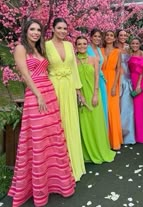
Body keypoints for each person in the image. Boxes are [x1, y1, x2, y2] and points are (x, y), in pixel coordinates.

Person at [8, 19, 75, 207]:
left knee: (51, 138)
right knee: (37, 140)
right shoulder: (21, 48)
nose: (36, 33)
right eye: (32, 29)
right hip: (36, 96)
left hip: (50, 93)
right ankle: (36, 188)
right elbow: (25, 75)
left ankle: (56, 183)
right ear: (25, 31)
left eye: (38, 30)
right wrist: (38, 95)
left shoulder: (40, 49)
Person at [45, 18, 85, 181]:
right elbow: (41, 67)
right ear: (53, 29)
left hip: (69, 87)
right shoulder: (45, 45)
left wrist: (78, 91)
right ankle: (57, 168)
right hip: (53, 87)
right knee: (56, 123)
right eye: (59, 28)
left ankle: (73, 165)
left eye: (65, 28)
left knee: (70, 122)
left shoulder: (69, 45)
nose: (62, 31)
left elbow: (74, 69)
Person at [75, 36, 116, 163]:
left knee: (96, 122)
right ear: (76, 46)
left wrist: (95, 94)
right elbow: (74, 80)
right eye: (79, 44)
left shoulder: (94, 59)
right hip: (81, 95)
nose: (82, 46)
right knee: (84, 123)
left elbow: (97, 77)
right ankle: (86, 152)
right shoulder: (73, 61)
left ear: (87, 45)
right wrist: (79, 95)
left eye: (84, 44)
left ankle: (99, 149)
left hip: (93, 93)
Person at [101, 30, 123, 150]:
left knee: (113, 110)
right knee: (104, 109)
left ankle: (115, 141)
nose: (109, 37)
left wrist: (115, 85)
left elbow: (119, 69)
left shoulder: (118, 51)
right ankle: (105, 140)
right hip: (101, 79)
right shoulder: (100, 50)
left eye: (111, 35)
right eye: (107, 35)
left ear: (114, 38)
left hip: (113, 81)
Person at [116, 29, 135, 145]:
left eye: (125, 35)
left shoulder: (129, 48)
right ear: (117, 36)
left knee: (127, 108)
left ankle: (127, 134)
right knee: (118, 107)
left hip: (128, 79)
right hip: (119, 78)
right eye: (121, 35)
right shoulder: (115, 49)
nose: (123, 37)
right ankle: (117, 134)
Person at [87, 28, 108, 127]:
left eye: (99, 36)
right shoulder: (86, 49)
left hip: (101, 81)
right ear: (91, 37)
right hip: (91, 80)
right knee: (94, 105)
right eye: (95, 36)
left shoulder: (99, 50)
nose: (97, 38)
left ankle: (104, 133)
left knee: (103, 105)